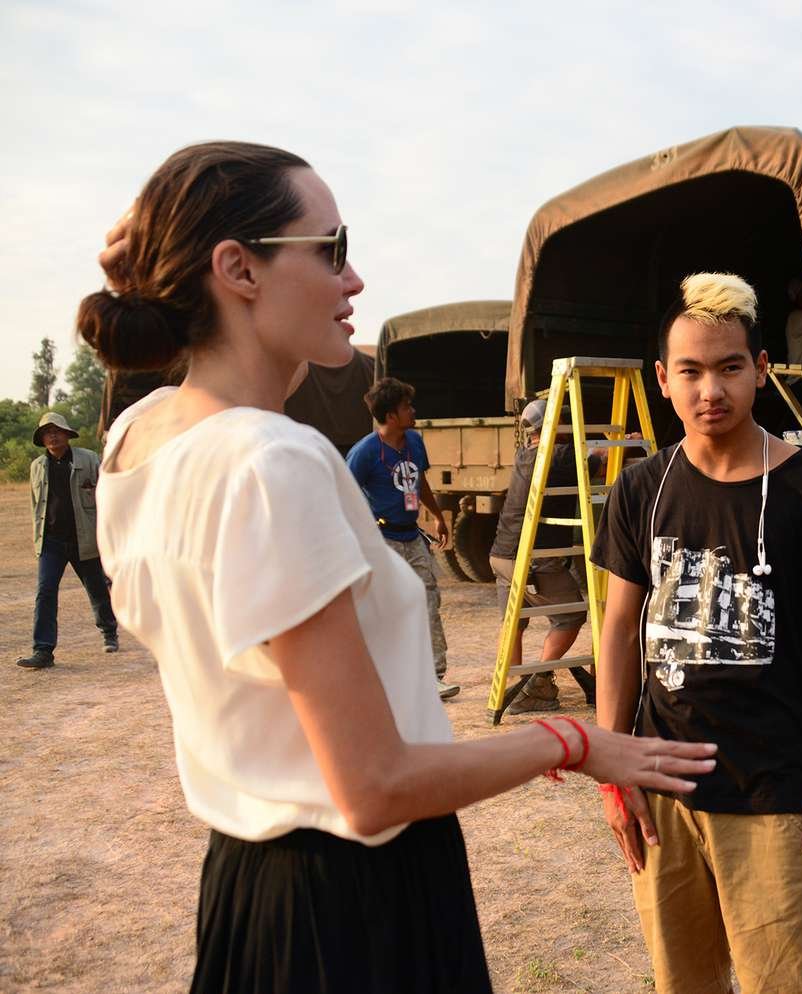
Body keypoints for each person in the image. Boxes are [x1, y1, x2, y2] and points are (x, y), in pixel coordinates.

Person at [81, 141, 716, 994]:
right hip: (354, 903)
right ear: (237, 269)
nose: (355, 281)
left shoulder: (140, 437)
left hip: (244, 887)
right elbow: (374, 787)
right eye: (332, 248)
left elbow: (151, 377)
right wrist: (573, 740)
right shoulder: (272, 462)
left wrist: (144, 275)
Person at [591, 272, 802, 993]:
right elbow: (621, 628)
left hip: (774, 796)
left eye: (728, 368)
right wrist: (614, 769)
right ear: (663, 378)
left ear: (760, 370)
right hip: (662, 791)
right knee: (682, 982)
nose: (709, 390)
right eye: (690, 370)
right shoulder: (640, 489)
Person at [347, 377, 458, 700]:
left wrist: (437, 516)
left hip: (412, 537)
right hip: (382, 539)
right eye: (407, 406)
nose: (413, 411)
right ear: (391, 415)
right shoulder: (365, 452)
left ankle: (433, 676)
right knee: (382, 607)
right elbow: (345, 492)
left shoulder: (414, 442)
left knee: (428, 600)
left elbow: (419, 480)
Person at [489, 397, 599, 713]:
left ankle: (513, 691)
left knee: (513, 623)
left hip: (501, 553)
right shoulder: (559, 455)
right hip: (534, 557)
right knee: (571, 616)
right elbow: (597, 461)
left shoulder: (525, 454)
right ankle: (535, 686)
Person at [19, 411, 119, 669]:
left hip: (83, 536)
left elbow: (106, 494)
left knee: (96, 588)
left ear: (66, 434)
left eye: (56, 431)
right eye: (46, 432)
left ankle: (109, 632)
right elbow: (35, 506)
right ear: (42, 439)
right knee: (45, 592)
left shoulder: (88, 459)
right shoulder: (37, 467)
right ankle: (43, 651)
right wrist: (37, 539)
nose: (51, 436)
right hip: (51, 541)